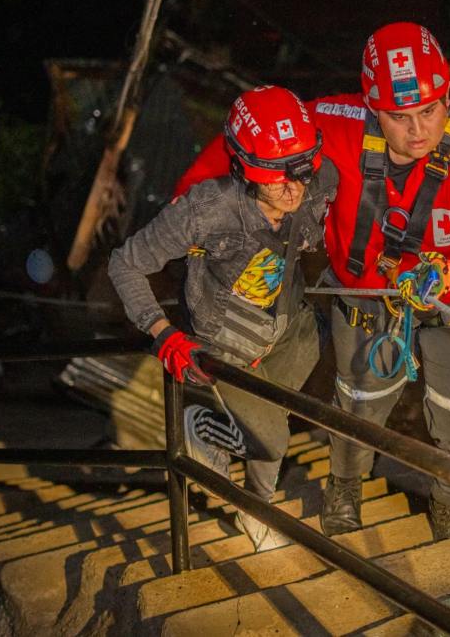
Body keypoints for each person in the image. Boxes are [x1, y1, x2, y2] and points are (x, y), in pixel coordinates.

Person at [176, 22, 450, 541]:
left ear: (448, 97)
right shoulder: (334, 125)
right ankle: (345, 482)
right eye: (398, 117)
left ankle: (449, 499)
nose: (417, 131)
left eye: (430, 111)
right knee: (359, 400)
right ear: (371, 106)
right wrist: (192, 207)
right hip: (366, 294)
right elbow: (254, 143)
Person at [108, 86, 337, 552]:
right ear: (245, 170)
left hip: (288, 324)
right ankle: (255, 508)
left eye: (302, 169)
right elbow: (125, 263)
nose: (294, 188)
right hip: (227, 338)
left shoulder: (320, 180)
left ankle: (217, 429)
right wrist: (163, 333)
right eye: (277, 177)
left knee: (286, 398)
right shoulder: (207, 210)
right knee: (272, 439)